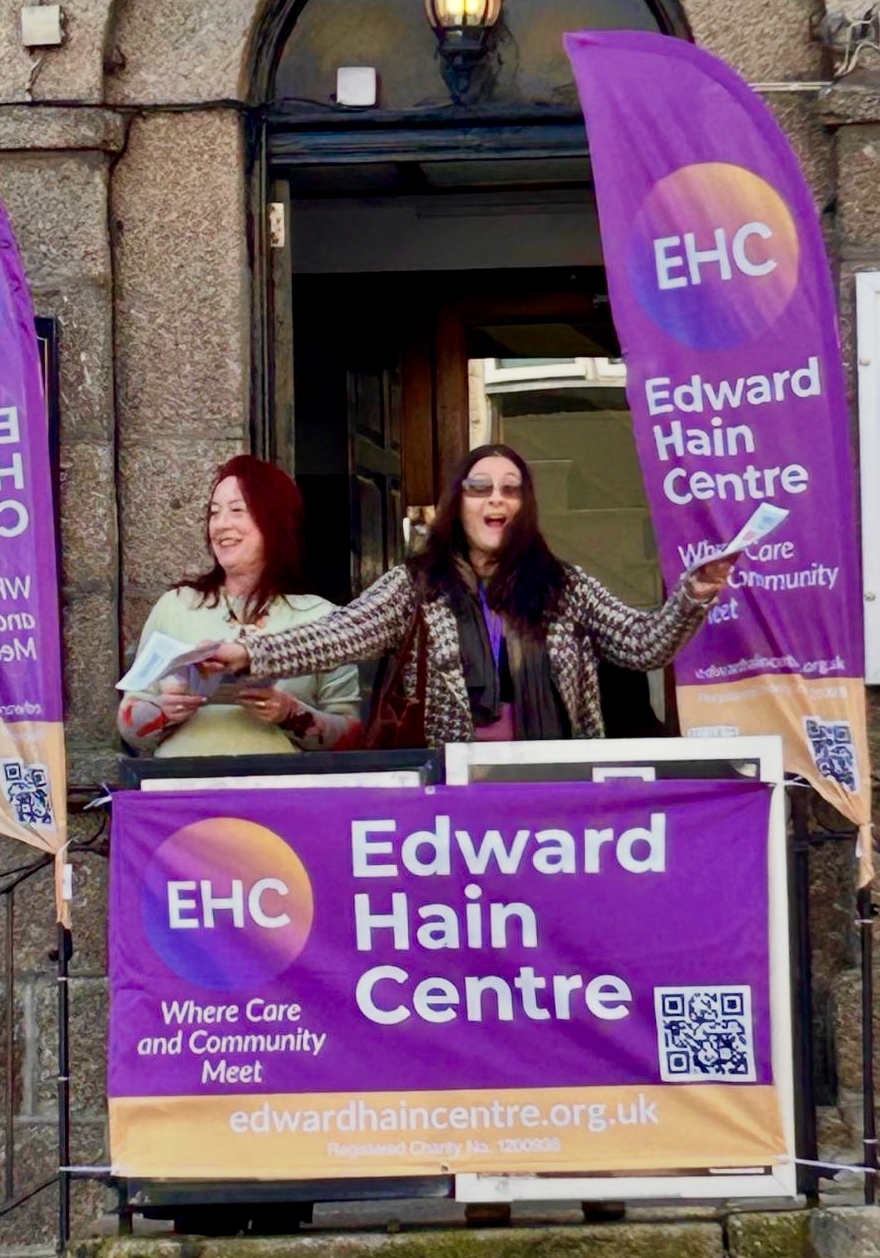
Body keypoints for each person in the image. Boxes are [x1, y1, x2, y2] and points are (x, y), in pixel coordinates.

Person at [201, 444, 734, 740]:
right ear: (458, 502)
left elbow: (642, 645)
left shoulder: (562, 585)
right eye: (480, 488)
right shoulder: (416, 584)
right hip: (447, 798)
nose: (494, 499)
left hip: (557, 791)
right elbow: (339, 633)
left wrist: (693, 594)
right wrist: (248, 652)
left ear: (524, 506)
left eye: (510, 489)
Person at [117, 455, 362, 757]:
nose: (220, 525)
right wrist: (162, 712)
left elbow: (351, 736)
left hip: (279, 793)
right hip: (181, 791)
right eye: (214, 513)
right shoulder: (176, 606)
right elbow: (127, 721)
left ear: (276, 521)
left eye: (237, 511)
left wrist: (290, 714)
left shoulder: (320, 616)